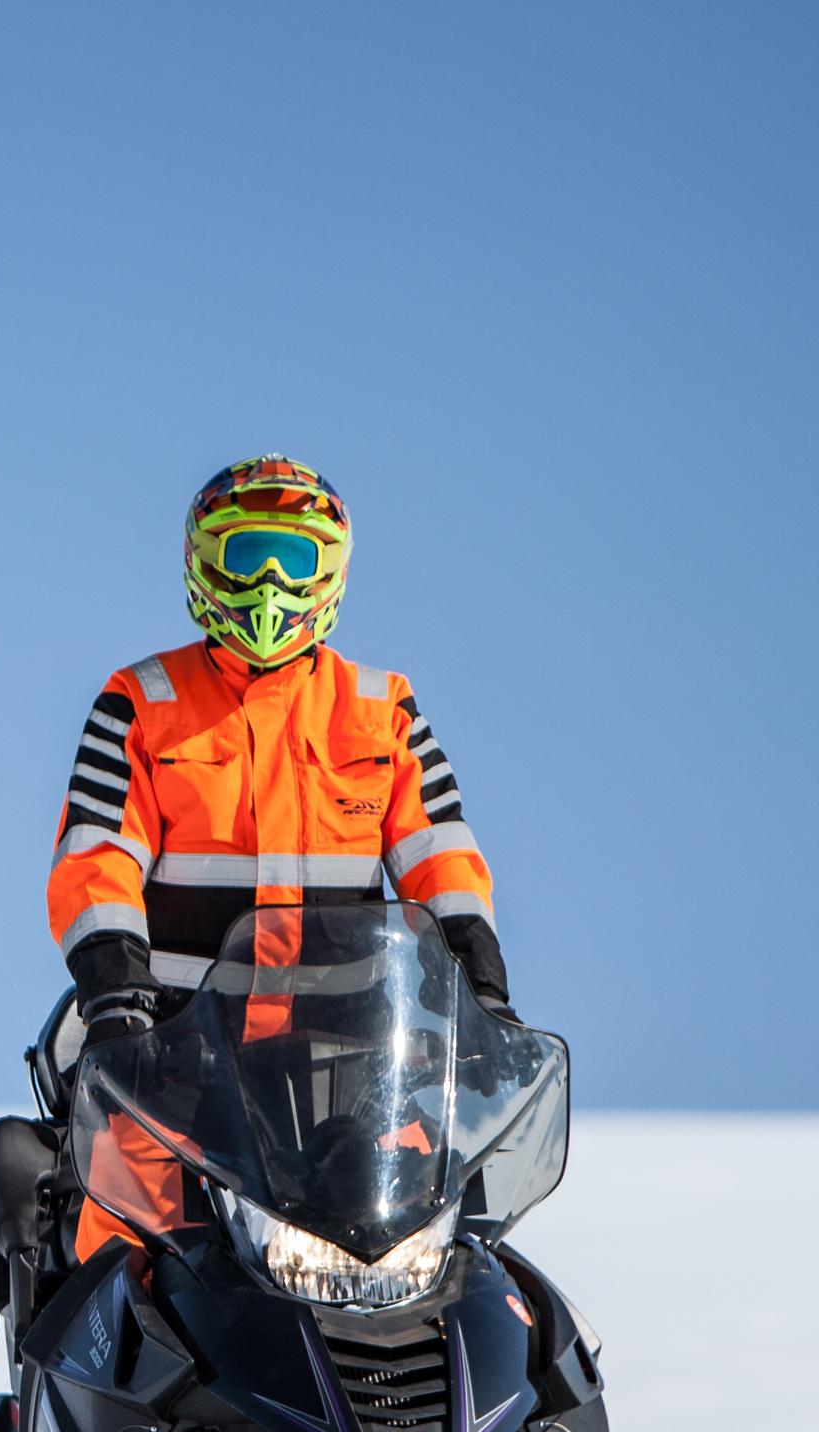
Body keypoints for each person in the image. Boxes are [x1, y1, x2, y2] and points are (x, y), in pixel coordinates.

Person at [46, 457, 507, 1251]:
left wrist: (485, 1001)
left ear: (330, 572)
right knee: (126, 1244)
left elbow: (444, 861)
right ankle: (77, 1373)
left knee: (444, 1244)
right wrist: (118, 996)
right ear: (202, 563)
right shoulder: (143, 701)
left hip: (354, 1064)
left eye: (293, 559)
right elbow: (98, 858)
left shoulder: (381, 710)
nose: (267, 582)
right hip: (175, 1052)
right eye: (244, 553)